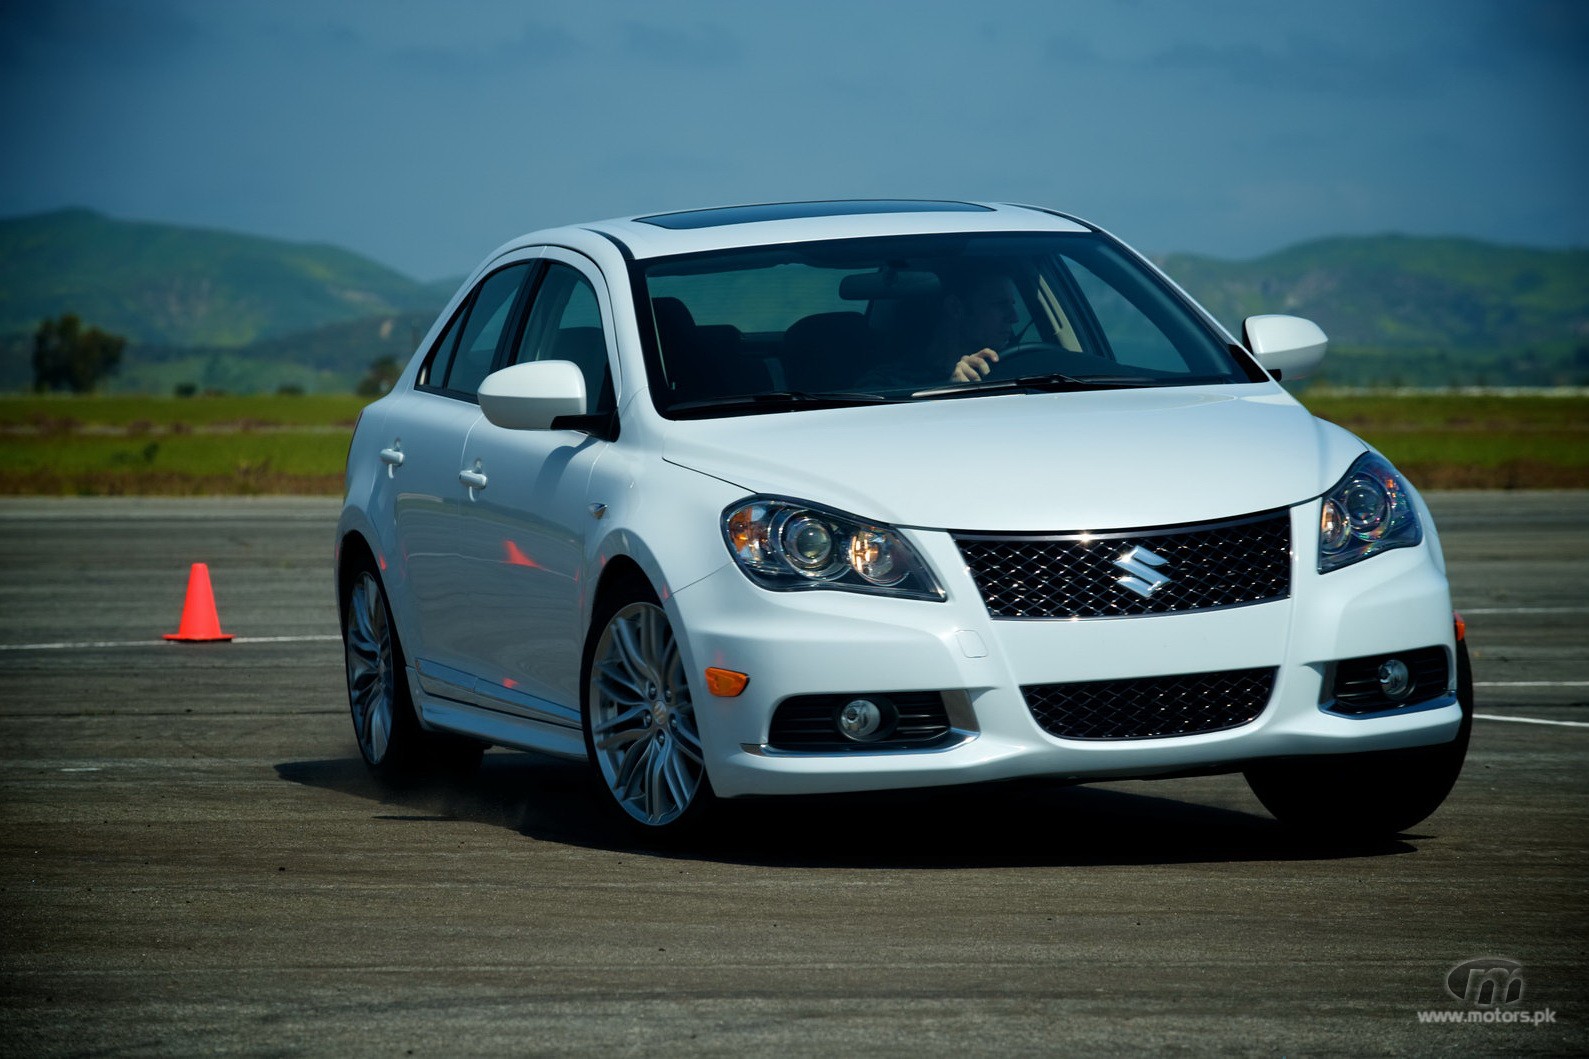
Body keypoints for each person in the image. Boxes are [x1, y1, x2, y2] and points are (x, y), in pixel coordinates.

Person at [923, 271, 1021, 383]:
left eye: (1012, 304)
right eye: (1000, 304)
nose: (1014, 318)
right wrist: (952, 389)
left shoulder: (1016, 368)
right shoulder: (906, 382)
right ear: (955, 308)